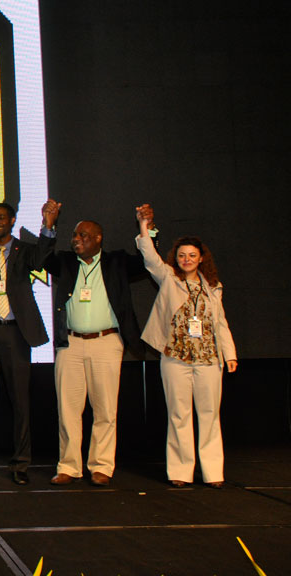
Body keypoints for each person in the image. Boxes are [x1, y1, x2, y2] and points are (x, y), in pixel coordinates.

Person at [43, 212, 153, 486]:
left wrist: (146, 229)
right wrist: (48, 225)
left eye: (82, 235)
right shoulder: (66, 262)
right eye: (74, 235)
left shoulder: (116, 262)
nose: (76, 240)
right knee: (68, 410)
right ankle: (69, 466)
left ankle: (101, 466)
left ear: (98, 239)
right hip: (70, 344)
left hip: (106, 342)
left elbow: (146, 261)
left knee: (105, 408)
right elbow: (42, 258)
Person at [135, 204, 237, 488]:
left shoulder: (213, 287)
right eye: (182, 255)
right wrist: (144, 226)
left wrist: (230, 354)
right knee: (179, 415)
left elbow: (220, 323)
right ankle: (180, 472)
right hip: (175, 358)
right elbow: (149, 257)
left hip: (208, 359)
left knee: (209, 415)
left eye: (192, 255)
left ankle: (213, 473)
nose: (187, 260)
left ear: (201, 258)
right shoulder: (168, 278)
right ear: (175, 258)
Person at [0, 199, 60, 486]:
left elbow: (41, 258)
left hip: (17, 333)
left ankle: (20, 464)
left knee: (20, 401)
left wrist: (48, 225)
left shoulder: (24, 250)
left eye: (1, 217)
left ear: (12, 220)